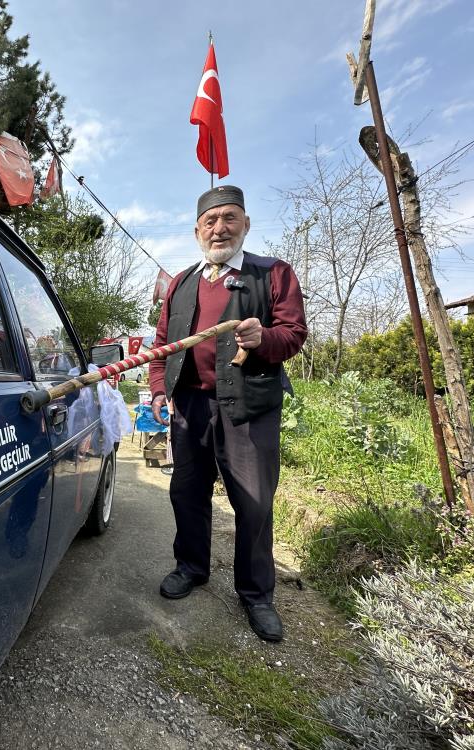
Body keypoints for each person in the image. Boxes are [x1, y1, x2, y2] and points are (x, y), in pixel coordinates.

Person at [149, 185, 307, 642]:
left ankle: (256, 593)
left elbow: (293, 334)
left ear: (246, 224)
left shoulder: (272, 273)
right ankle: (191, 567)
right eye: (210, 220)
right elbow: (162, 344)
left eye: (229, 218)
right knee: (187, 490)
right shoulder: (180, 282)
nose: (220, 228)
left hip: (250, 407)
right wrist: (160, 389)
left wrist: (265, 339)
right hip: (191, 407)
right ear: (197, 230)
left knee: (254, 503)